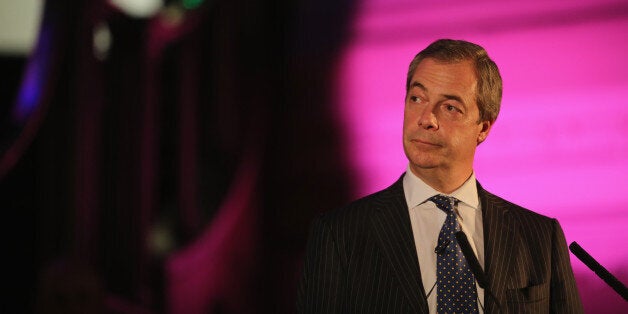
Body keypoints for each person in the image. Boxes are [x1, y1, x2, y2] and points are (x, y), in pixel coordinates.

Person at [296, 39, 583, 313]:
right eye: (417, 98)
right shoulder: (339, 234)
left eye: (449, 107)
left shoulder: (540, 238)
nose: (426, 119)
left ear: (483, 127)